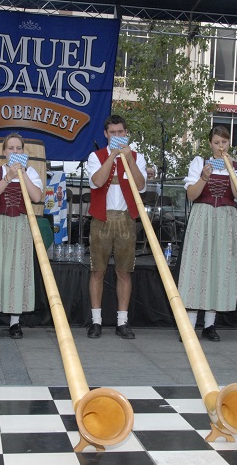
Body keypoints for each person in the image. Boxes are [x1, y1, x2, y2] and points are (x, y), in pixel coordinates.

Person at [178, 126, 237, 341]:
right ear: (210, 143)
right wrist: (204, 178)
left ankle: (210, 326)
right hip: (202, 217)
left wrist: (230, 172)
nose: (221, 147)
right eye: (217, 142)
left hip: (226, 219)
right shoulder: (199, 163)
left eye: (224, 143)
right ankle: (189, 326)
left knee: (220, 268)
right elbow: (192, 195)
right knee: (196, 267)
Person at [0, 133, 44, 339]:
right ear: (4, 152)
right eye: (11, 148)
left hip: (21, 224)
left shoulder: (30, 172)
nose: (15, 152)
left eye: (18, 148)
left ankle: (15, 321)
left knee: (18, 269)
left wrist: (22, 174)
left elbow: (37, 197)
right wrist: (8, 177)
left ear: (24, 152)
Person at [86, 114, 147, 339]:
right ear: (106, 134)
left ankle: (122, 322)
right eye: (113, 133)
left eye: (121, 132)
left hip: (126, 218)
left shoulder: (137, 157)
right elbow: (98, 181)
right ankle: (96, 321)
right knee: (97, 271)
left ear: (126, 132)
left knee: (124, 271)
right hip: (101, 218)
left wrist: (129, 159)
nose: (118, 136)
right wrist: (112, 155)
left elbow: (140, 187)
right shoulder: (96, 156)